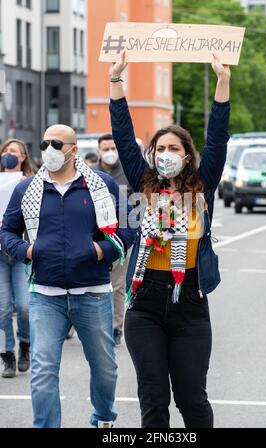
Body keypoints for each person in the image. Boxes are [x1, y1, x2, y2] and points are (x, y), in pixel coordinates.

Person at [109, 51, 231, 428]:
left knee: (193, 399)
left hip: (190, 302)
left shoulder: (202, 185)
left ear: (187, 155)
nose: (165, 155)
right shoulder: (143, 184)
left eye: (173, 148)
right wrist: (116, 81)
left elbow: (218, 139)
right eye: (160, 149)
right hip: (144, 304)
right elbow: (124, 137)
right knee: (153, 400)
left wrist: (222, 81)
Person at [0, 125, 136, 428]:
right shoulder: (27, 189)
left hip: (94, 293)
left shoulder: (102, 185)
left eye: (56, 144)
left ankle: (103, 419)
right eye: (45, 142)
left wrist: (100, 251)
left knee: (104, 368)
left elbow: (128, 229)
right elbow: (6, 231)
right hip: (45, 296)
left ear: (73, 150)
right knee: (43, 370)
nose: (49, 149)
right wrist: (27, 251)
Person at [0, 139, 33, 378]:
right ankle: (7, 354)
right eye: (5, 151)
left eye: (13, 151)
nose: (7, 155)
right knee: (2, 309)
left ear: (22, 157)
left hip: (21, 251)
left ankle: (25, 343)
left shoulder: (30, 182)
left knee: (23, 306)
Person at [98, 134, 133, 346]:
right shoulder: (90, 173)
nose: (110, 151)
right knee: (90, 283)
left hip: (121, 237)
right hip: (95, 236)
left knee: (117, 285)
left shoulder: (128, 173)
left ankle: (115, 327)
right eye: (106, 148)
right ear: (99, 151)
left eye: (113, 147)